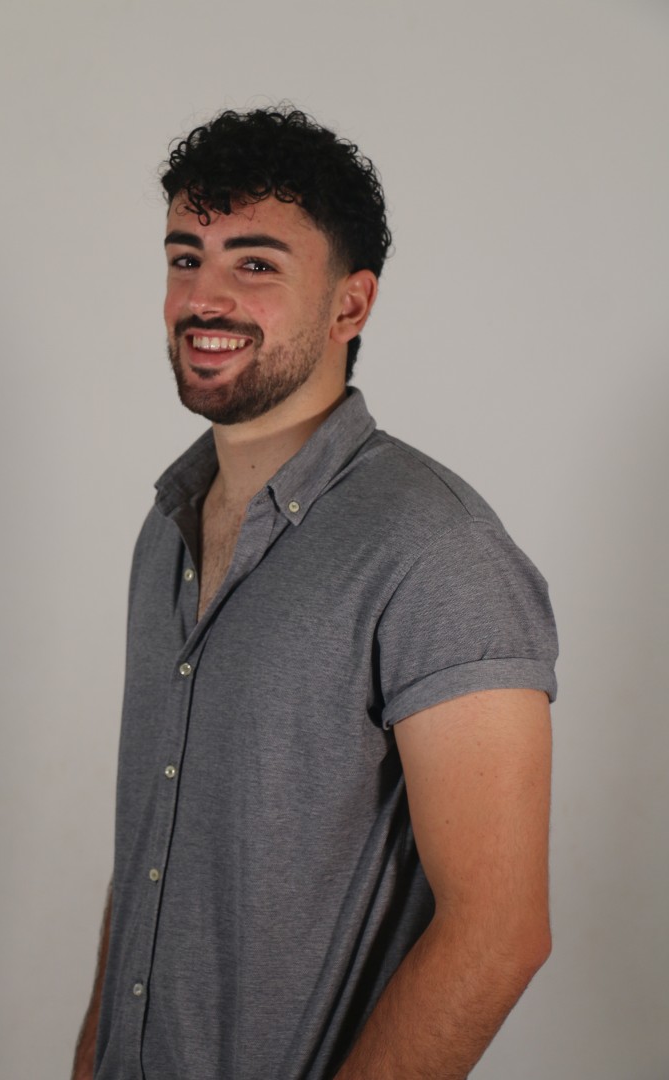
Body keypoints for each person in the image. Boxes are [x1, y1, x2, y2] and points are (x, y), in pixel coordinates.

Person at [72, 106, 558, 1080]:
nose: (203, 297)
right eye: (184, 257)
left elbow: (499, 933)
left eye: (255, 264)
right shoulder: (165, 528)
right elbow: (147, 862)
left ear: (350, 305)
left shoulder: (435, 550)